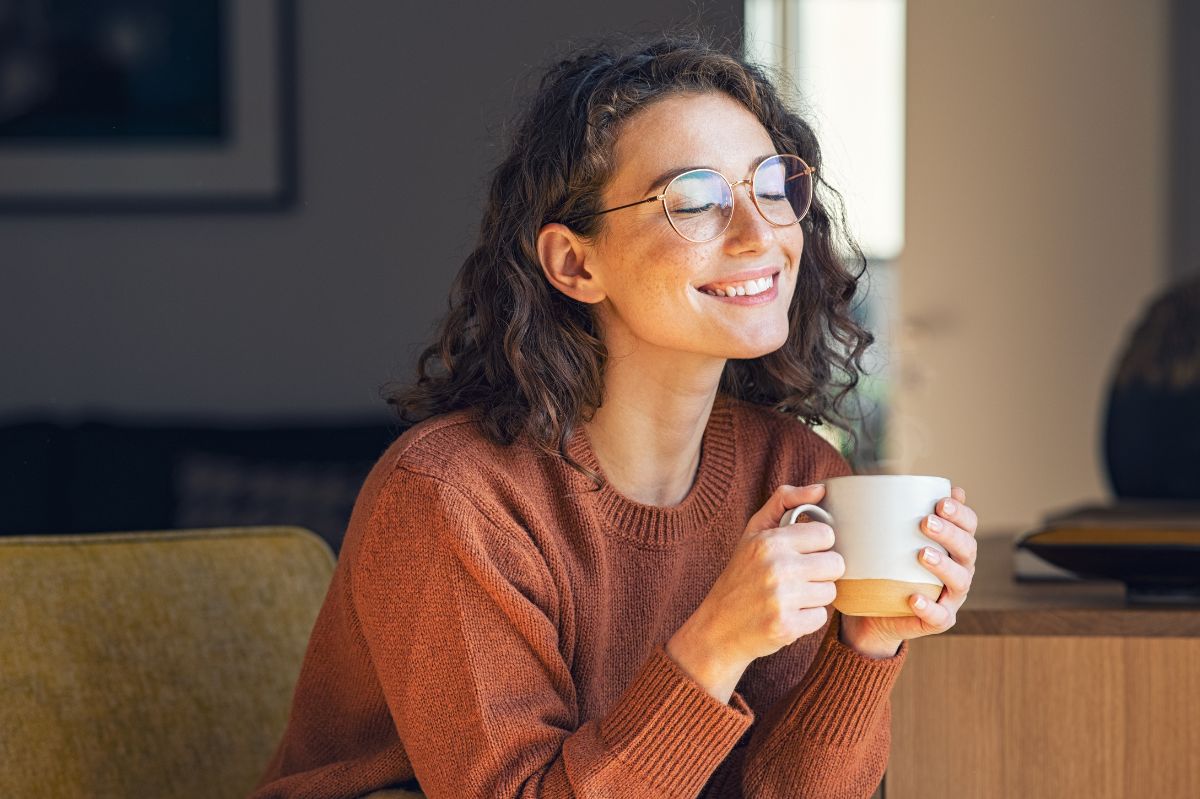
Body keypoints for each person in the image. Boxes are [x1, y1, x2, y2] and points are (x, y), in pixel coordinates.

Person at [251, 30, 979, 799]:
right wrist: (714, 642)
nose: (760, 232)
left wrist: (863, 648)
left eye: (772, 186)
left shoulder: (796, 475)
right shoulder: (452, 497)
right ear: (576, 262)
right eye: (695, 200)